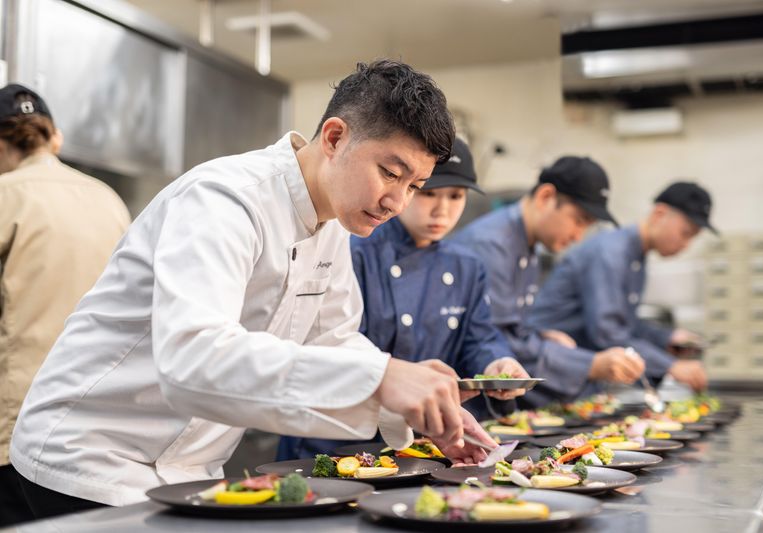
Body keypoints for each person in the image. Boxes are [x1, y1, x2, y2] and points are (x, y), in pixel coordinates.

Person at [10, 60, 495, 520]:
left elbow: (332, 341)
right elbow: (193, 356)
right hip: (88, 457)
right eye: (390, 173)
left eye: (415, 185)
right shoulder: (224, 199)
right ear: (334, 137)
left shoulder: (333, 226)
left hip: (187, 471)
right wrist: (382, 378)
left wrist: (412, 404)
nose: (397, 202)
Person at [277, 138, 530, 460]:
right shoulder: (354, 250)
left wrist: (497, 363)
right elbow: (331, 343)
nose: (442, 210)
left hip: (420, 438)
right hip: (336, 436)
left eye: (455, 196)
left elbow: (479, 337)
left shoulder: (467, 266)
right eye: (428, 193)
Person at [0, 84, 130, 526]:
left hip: (16, 426)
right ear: (54, 138)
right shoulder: (107, 198)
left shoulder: (5, 194)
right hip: (95, 430)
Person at [452, 156, 645, 407]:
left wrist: (541, 336)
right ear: (545, 197)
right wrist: (590, 364)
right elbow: (493, 339)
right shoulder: (492, 246)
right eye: (579, 221)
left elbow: (510, 327)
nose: (578, 237)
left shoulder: (528, 244)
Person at [530, 181, 715, 393]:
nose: (686, 245)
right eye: (685, 233)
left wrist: (667, 338)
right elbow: (608, 333)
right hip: (546, 373)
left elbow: (625, 324)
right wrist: (670, 366)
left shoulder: (636, 258)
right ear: (659, 214)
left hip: (575, 377)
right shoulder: (611, 253)